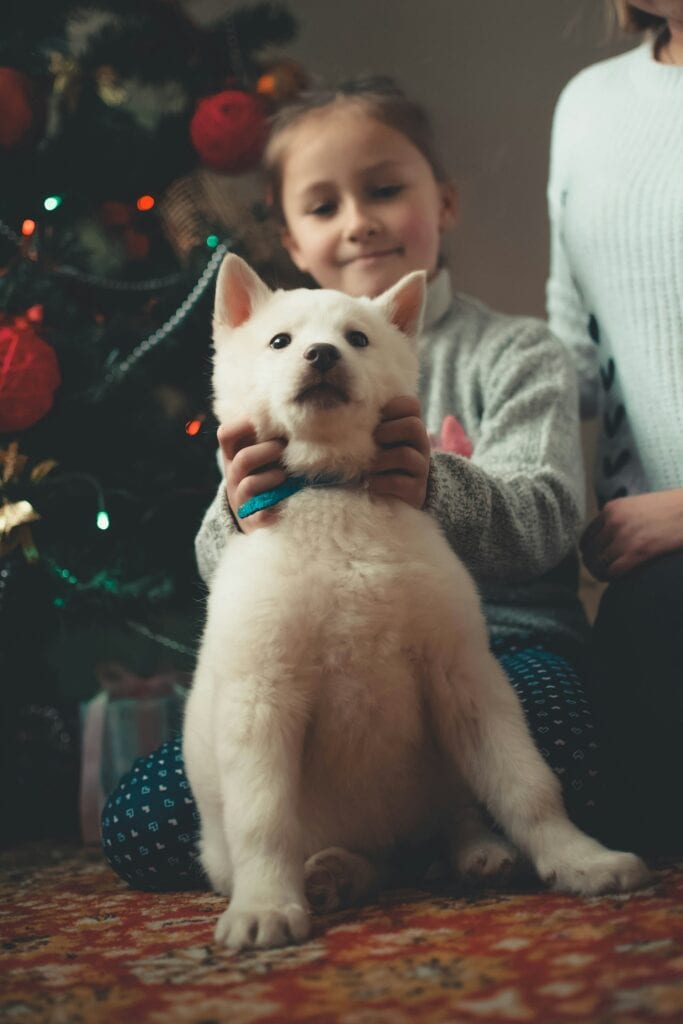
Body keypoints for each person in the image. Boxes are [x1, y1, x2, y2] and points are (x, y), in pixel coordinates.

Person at [103, 77, 603, 891]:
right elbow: (226, 589)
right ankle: (374, 854)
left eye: (383, 190)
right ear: (289, 236)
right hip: (325, 698)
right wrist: (237, 508)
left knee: (562, 730)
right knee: (144, 824)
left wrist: (431, 485)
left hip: (502, 648)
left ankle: (452, 826)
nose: (359, 221)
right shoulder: (262, 378)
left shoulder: (515, 353)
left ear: (441, 203)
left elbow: (548, 518)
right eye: (323, 205)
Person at [547, 1, 683, 852]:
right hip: (656, 570)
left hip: (666, 530)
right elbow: (571, 348)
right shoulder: (589, 102)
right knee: (630, 814)